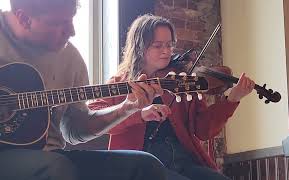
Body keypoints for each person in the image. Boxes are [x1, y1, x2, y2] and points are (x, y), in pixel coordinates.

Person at [0, 1, 168, 180]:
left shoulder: (70, 59)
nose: (72, 31)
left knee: (146, 166)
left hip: (52, 156)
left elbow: (74, 131)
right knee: (56, 168)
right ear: (24, 18)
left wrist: (126, 107)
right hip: (21, 159)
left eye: (71, 19)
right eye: (59, 23)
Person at [89, 14, 255, 180]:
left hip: (183, 162)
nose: (166, 51)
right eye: (158, 45)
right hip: (141, 166)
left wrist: (232, 99)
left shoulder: (181, 80)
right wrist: (138, 115)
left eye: (169, 45)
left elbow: (203, 130)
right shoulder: (120, 83)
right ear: (140, 47)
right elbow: (93, 117)